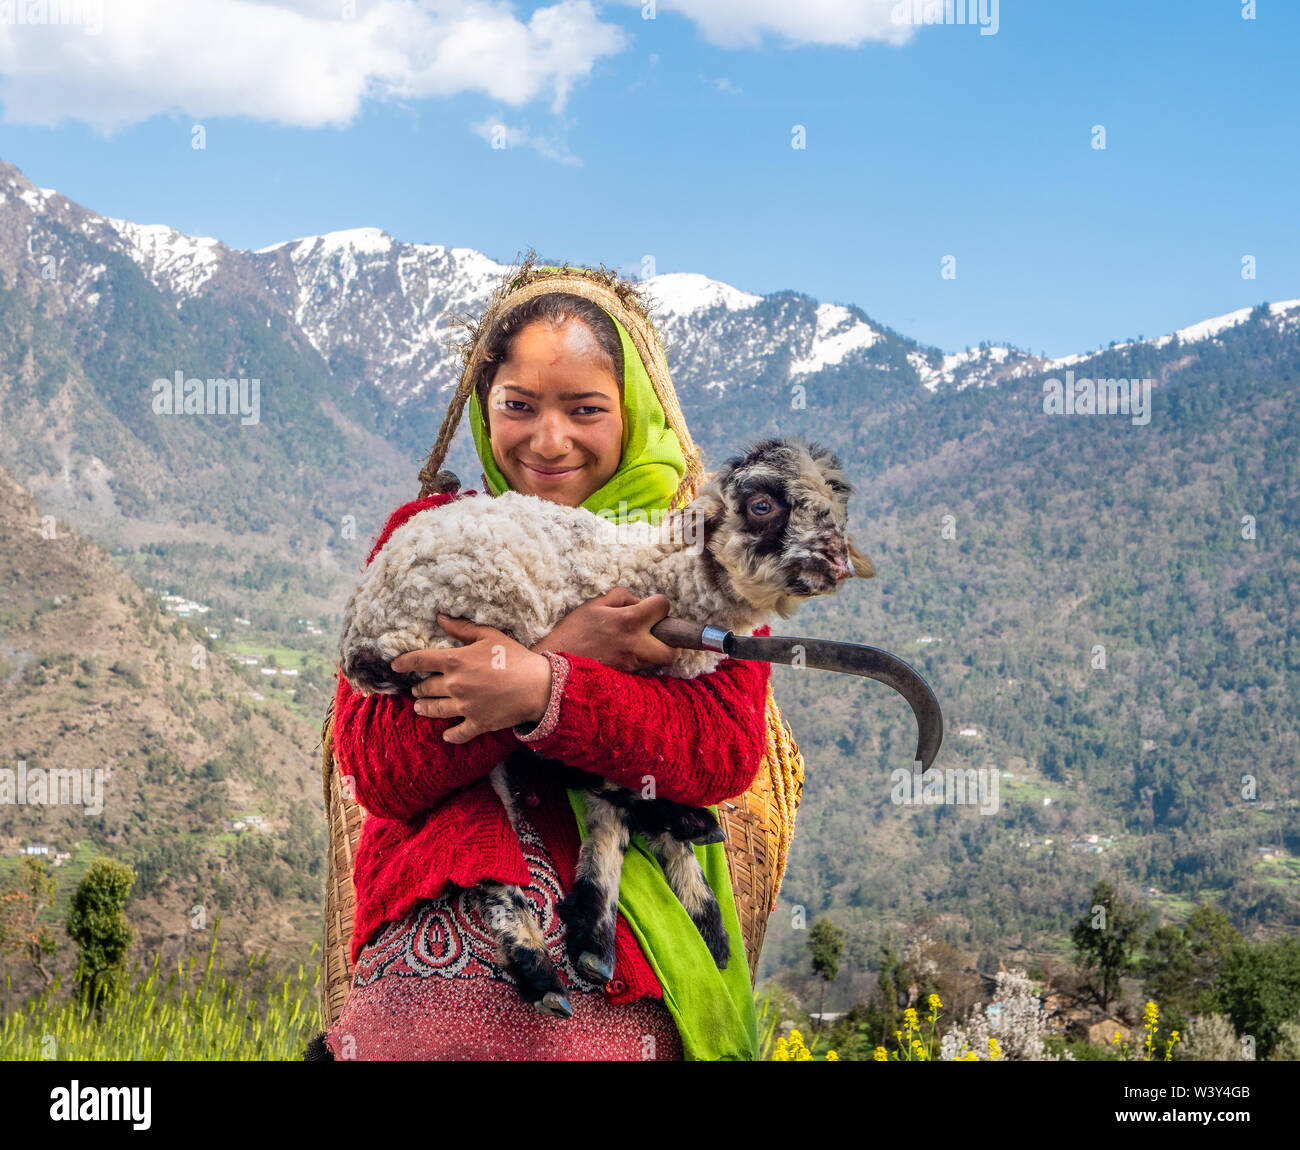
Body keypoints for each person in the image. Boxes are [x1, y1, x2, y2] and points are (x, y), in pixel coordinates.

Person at [322, 265, 773, 1061]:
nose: (548, 439)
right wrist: (553, 658)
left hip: (623, 953)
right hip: (439, 935)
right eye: (519, 407)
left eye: (585, 409)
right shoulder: (432, 537)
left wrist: (547, 692)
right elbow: (381, 769)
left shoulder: (701, 556)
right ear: (484, 409)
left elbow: (720, 750)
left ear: (634, 411)